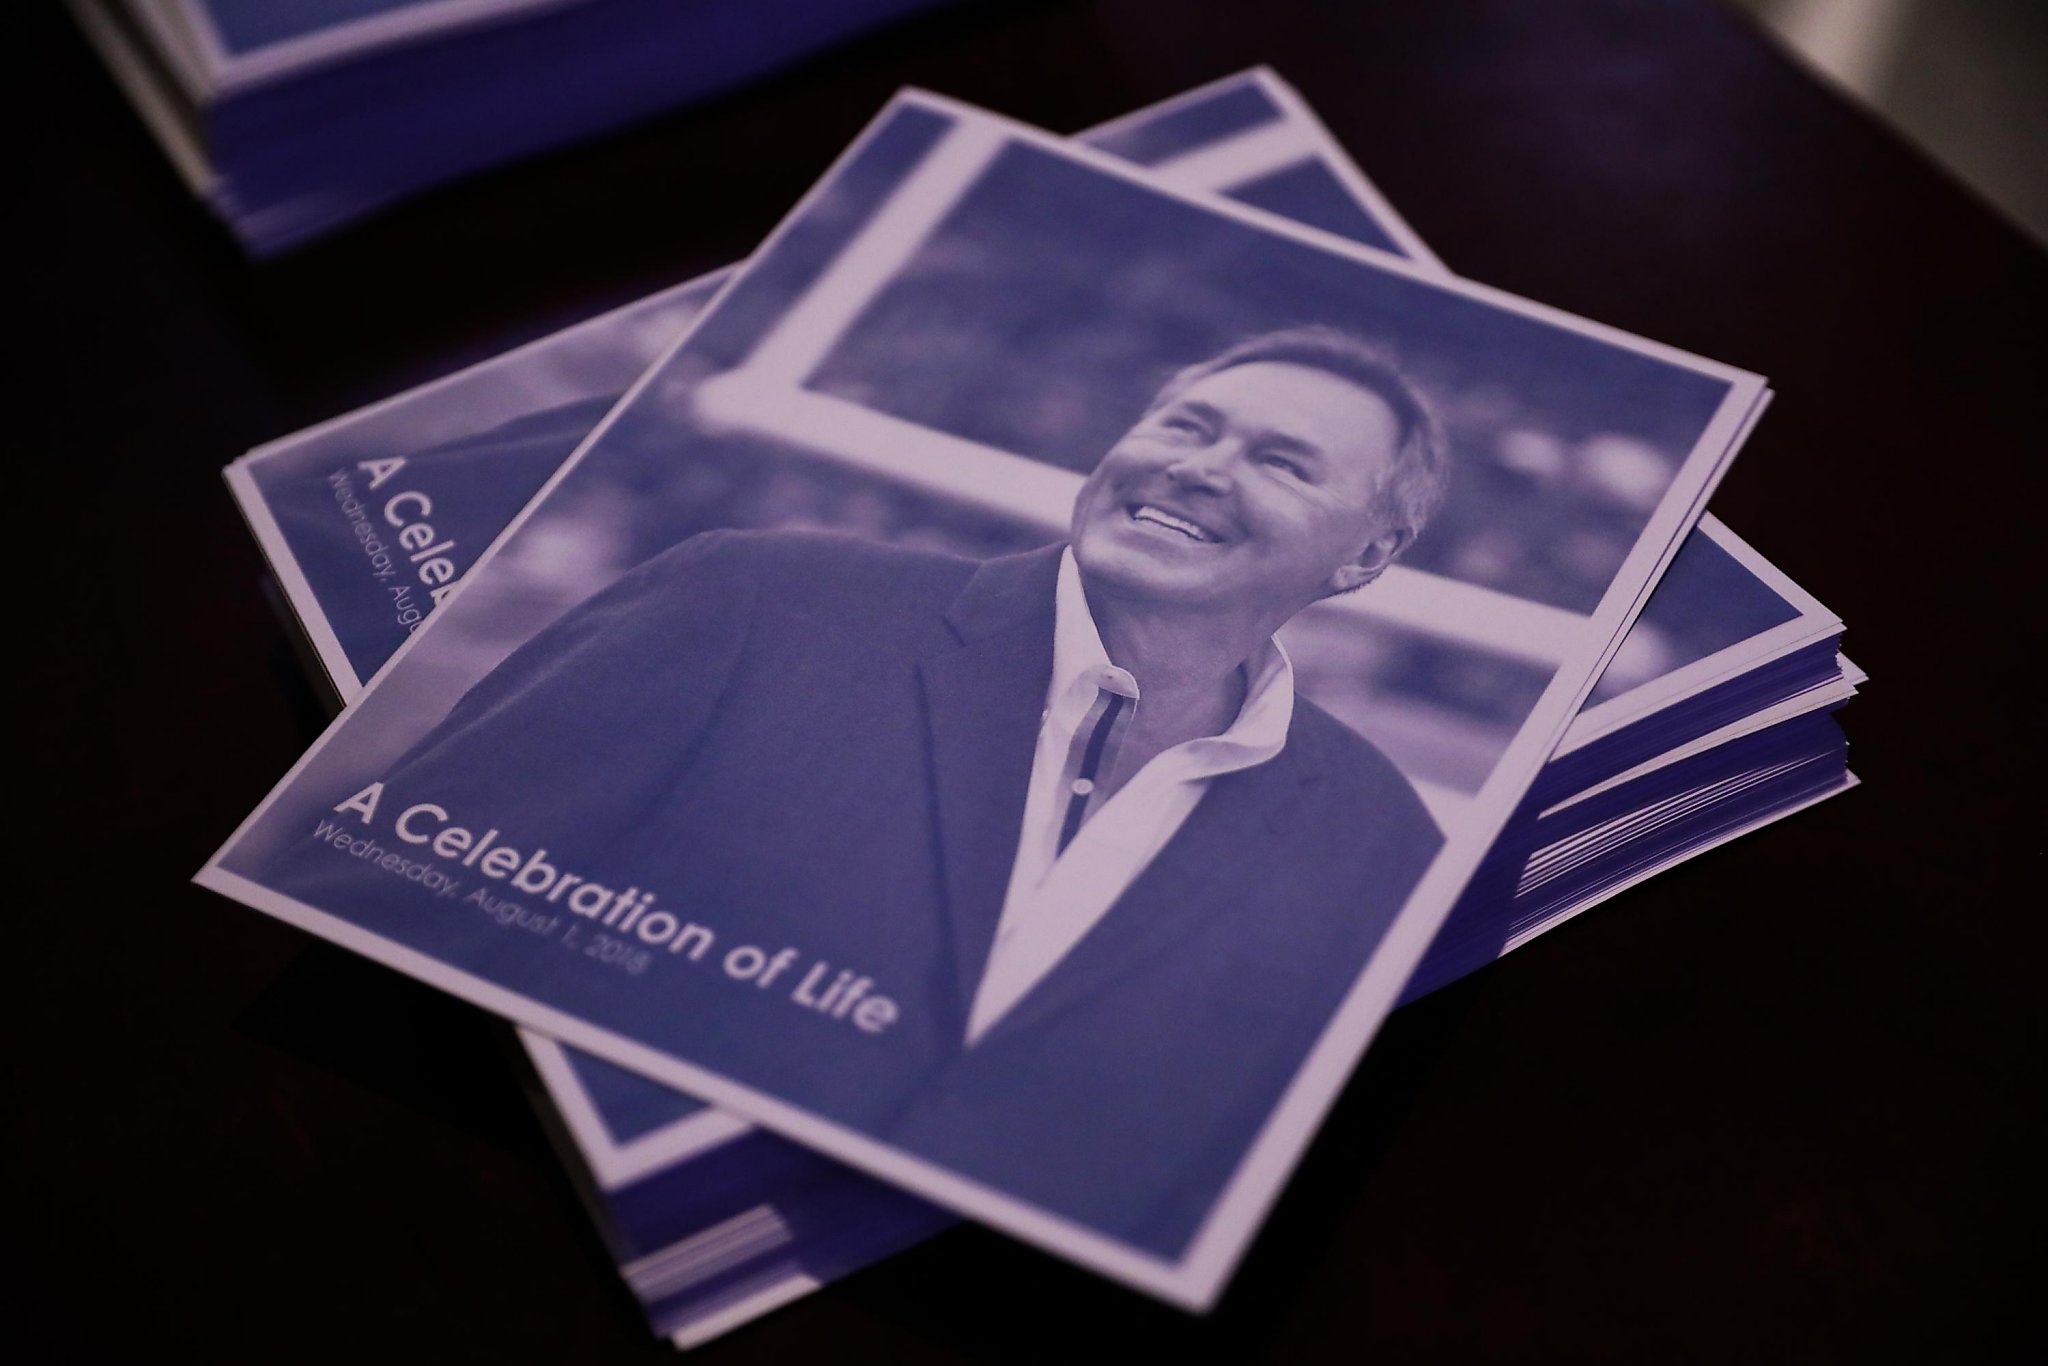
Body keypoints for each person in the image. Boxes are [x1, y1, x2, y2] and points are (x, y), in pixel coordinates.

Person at [274, 326, 1451, 1257]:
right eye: (1183, 422)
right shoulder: (755, 599)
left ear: (1364, 557)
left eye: (1280, 461)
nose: (1198, 466)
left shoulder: (1379, 846)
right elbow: (368, 895)